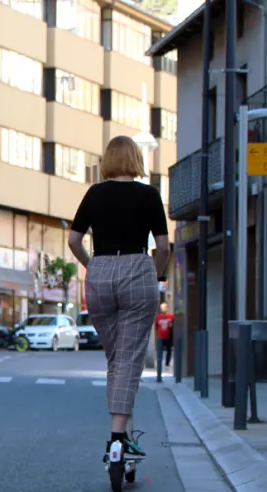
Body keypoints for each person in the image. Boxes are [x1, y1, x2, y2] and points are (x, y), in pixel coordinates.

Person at [68, 135, 170, 466]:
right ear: (136, 159)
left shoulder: (94, 194)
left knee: (116, 358)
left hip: (99, 273)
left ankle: (125, 432)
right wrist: (154, 275)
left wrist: (92, 265)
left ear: (107, 160)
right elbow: (164, 246)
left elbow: (73, 239)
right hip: (138, 270)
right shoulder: (149, 195)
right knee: (127, 359)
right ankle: (117, 438)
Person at [154, 302, 175, 383]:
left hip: (168, 336)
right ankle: (159, 368)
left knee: (169, 350)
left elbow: (173, 325)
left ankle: (167, 363)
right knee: (160, 351)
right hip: (160, 336)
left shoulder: (171, 316)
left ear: (167, 308)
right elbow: (156, 326)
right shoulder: (158, 317)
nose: (163, 309)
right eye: (161, 308)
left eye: (164, 307)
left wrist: (171, 325)